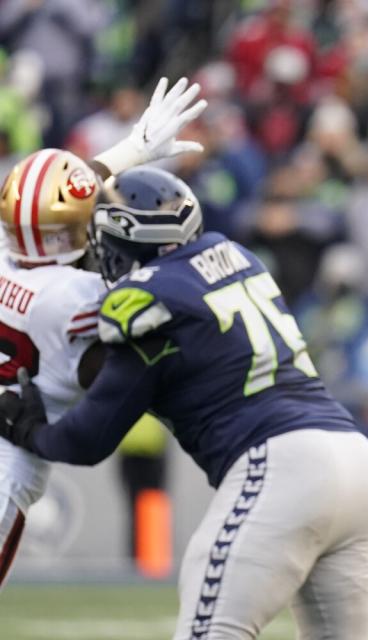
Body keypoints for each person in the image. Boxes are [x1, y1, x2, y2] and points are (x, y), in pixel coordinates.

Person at [0, 166, 368, 638]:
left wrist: (29, 430)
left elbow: (88, 439)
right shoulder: (237, 255)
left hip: (281, 466)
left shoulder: (144, 300)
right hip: (356, 460)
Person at [0, 76, 207, 588]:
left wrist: (130, 150)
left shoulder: (10, 259)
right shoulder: (76, 300)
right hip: (10, 462)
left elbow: (53, 203)